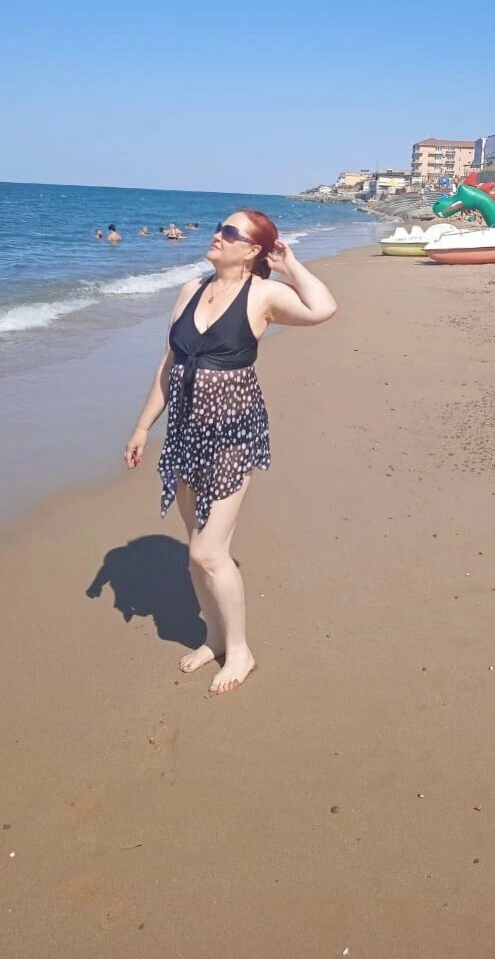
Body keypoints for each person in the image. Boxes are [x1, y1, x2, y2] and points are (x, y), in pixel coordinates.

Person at [124, 210, 337, 695]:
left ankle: (240, 650)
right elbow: (169, 364)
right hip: (184, 433)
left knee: (208, 551)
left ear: (252, 250)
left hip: (232, 434)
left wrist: (290, 263)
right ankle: (215, 638)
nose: (217, 236)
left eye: (229, 232)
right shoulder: (190, 290)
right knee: (195, 553)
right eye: (219, 228)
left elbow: (323, 308)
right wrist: (141, 426)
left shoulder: (262, 295)